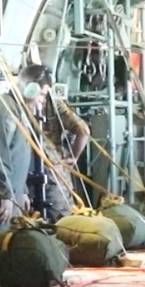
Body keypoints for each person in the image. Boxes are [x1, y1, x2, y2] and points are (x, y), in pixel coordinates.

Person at [0, 64, 47, 245]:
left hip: (10, 191)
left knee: (7, 246)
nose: (42, 101)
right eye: (42, 95)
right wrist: (5, 194)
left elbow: (16, 155)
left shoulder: (16, 110)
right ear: (31, 88)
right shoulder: (2, 109)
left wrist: (22, 191)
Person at [32, 87, 90, 217]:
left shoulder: (18, 102)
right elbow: (84, 131)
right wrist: (73, 157)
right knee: (63, 221)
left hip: (26, 171)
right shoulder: (55, 102)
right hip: (55, 171)